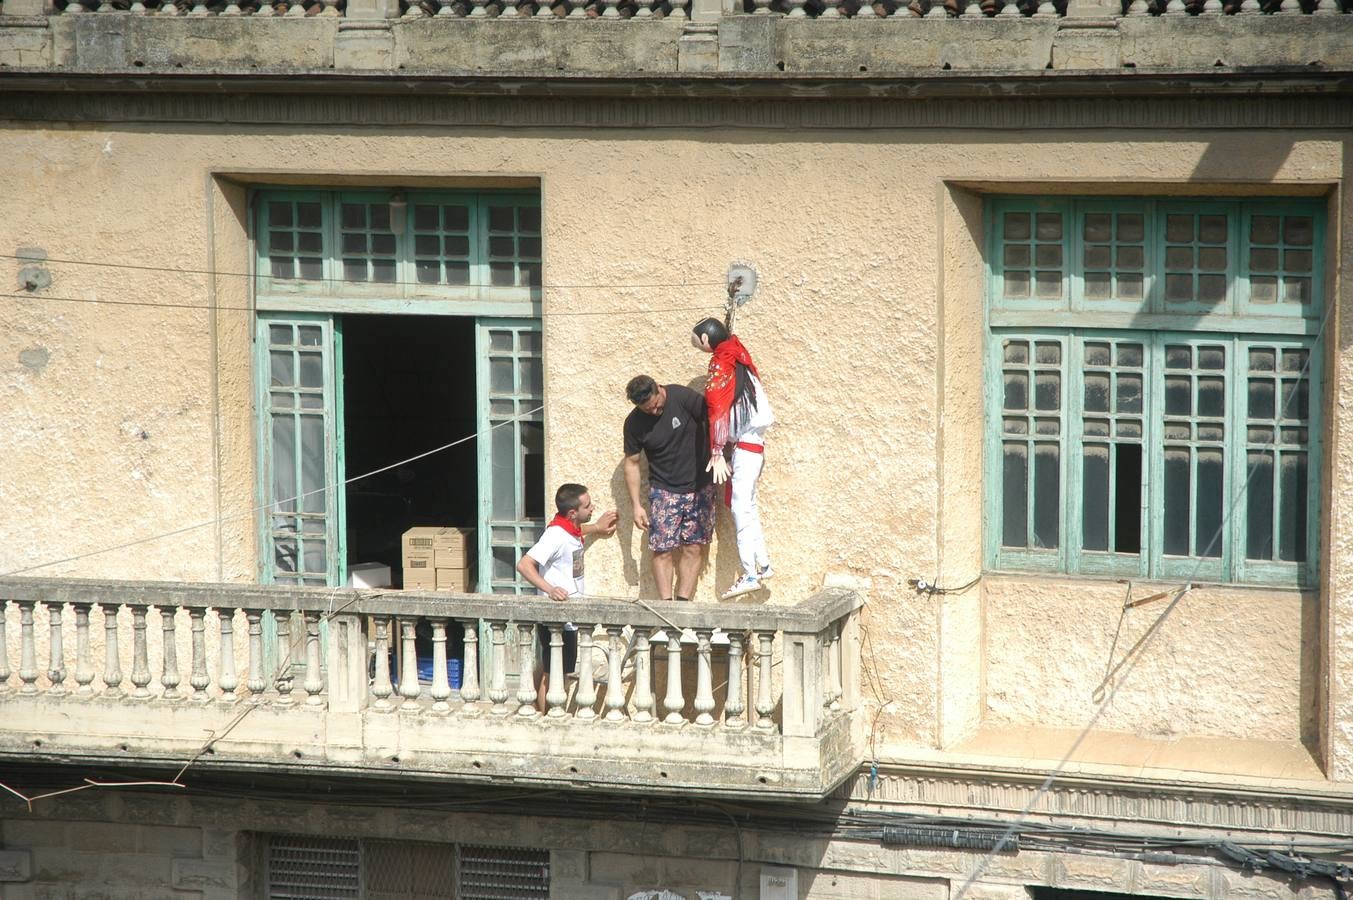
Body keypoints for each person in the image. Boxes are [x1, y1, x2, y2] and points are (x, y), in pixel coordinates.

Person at [691, 317, 774, 599]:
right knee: (748, 504)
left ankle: (750, 572)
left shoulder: (721, 362)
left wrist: (716, 450)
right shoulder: (736, 354)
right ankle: (762, 562)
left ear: (706, 340)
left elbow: (716, 402)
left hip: (746, 445)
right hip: (752, 444)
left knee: (741, 507)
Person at [516, 483, 617, 714]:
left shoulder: (570, 529)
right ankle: (548, 716)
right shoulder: (555, 535)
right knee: (554, 673)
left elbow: (576, 532)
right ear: (573, 513)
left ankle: (542, 710)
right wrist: (550, 589)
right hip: (557, 615)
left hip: (568, 615)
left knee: (553, 667)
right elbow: (524, 565)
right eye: (588, 505)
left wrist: (597, 527)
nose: (592, 508)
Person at [622, 375, 715, 603]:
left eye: (655, 405)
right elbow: (632, 463)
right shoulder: (634, 423)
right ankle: (666, 606)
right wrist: (636, 505)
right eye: (647, 410)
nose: (654, 412)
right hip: (664, 490)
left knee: (693, 547)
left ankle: (683, 603)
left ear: (659, 389)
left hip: (700, 487)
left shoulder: (682, 397)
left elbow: (714, 418)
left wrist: (723, 454)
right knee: (662, 549)